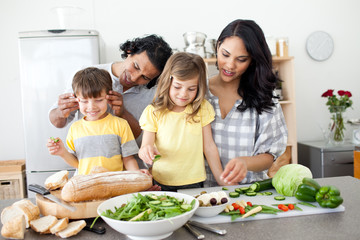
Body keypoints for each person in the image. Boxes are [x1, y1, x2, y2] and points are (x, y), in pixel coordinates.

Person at [48, 34, 172, 169]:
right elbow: (57, 122)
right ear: (130, 51)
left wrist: (123, 113)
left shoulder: (152, 94)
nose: (134, 78)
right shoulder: (87, 77)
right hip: (91, 171)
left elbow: (142, 140)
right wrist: (61, 111)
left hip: (132, 171)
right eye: (136, 66)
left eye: (145, 77)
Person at [205, 19, 288, 187]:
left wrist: (245, 162)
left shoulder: (265, 98)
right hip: (204, 196)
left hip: (249, 193)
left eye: (241, 59)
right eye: (225, 54)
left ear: (252, 60)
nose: (229, 65)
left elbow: (269, 156)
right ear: (217, 47)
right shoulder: (197, 92)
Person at [138, 52, 228, 191]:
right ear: (168, 82)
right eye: (177, 87)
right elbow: (145, 146)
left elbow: (209, 147)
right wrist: (146, 152)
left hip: (194, 181)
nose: (183, 94)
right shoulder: (153, 112)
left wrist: (222, 179)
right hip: (161, 180)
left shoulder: (202, 108)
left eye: (191, 88)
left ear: (199, 87)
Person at [46, 67, 148, 175]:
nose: (91, 107)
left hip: (114, 185)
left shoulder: (120, 125)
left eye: (99, 100)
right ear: (77, 100)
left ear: (108, 97)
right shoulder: (75, 129)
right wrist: (62, 152)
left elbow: (128, 159)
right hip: (86, 186)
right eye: (84, 101)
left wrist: (137, 174)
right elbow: (78, 163)